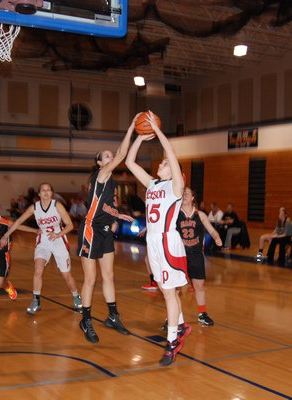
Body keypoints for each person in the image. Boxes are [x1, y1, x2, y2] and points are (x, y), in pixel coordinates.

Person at [126, 111, 190, 367]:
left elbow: (172, 155)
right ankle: (182, 325)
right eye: (161, 164)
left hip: (167, 242)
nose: (161, 164)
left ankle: (173, 341)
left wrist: (159, 132)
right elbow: (130, 163)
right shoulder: (152, 184)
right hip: (152, 242)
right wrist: (140, 134)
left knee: (168, 293)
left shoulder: (176, 187)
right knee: (166, 290)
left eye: (164, 164)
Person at [76, 117, 136, 344]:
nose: (112, 157)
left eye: (112, 154)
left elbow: (104, 205)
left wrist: (117, 214)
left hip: (104, 230)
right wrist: (131, 128)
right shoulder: (100, 176)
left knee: (109, 275)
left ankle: (112, 316)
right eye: (107, 156)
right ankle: (86, 320)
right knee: (90, 279)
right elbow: (121, 155)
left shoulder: (110, 180)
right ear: (100, 163)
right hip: (90, 229)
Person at [1, 183, 82, 314]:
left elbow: (70, 225)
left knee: (66, 275)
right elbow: (18, 221)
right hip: (43, 240)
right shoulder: (34, 207)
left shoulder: (57, 205)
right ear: (39, 194)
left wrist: (58, 234)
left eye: (48, 190)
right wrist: (6, 235)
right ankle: (36, 300)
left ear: (52, 193)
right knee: (38, 270)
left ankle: (76, 296)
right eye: (43, 190)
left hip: (58, 240)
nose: (46, 192)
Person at [177, 187, 222, 326]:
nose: (184, 195)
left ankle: (202, 314)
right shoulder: (175, 214)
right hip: (180, 255)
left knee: (199, 285)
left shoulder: (200, 215)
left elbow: (212, 230)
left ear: (192, 198)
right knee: (175, 288)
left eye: (187, 193)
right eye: (182, 193)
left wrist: (216, 237)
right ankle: (172, 318)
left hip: (196, 254)